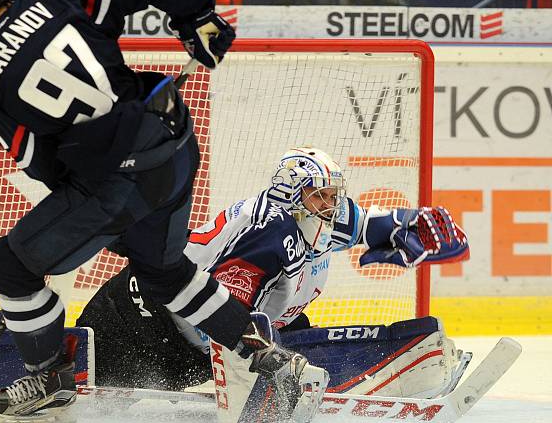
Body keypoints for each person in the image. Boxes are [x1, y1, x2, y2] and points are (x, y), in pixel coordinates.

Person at [0, 0, 327, 423]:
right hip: (175, 141)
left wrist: (103, 218)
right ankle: (269, 360)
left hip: (116, 183)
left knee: (10, 268)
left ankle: (47, 381)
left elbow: (39, 162)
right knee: (165, 274)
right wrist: (197, 15)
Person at [77, 147, 470, 392]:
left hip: (182, 336)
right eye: (320, 195)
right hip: (139, 324)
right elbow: (219, 319)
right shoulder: (269, 231)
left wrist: (419, 226)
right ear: (291, 194)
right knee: (101, 395)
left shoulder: (319, 217)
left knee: (293, 338)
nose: (330, 204)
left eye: (333, 195)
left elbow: (375, 226)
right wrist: (266, 368)